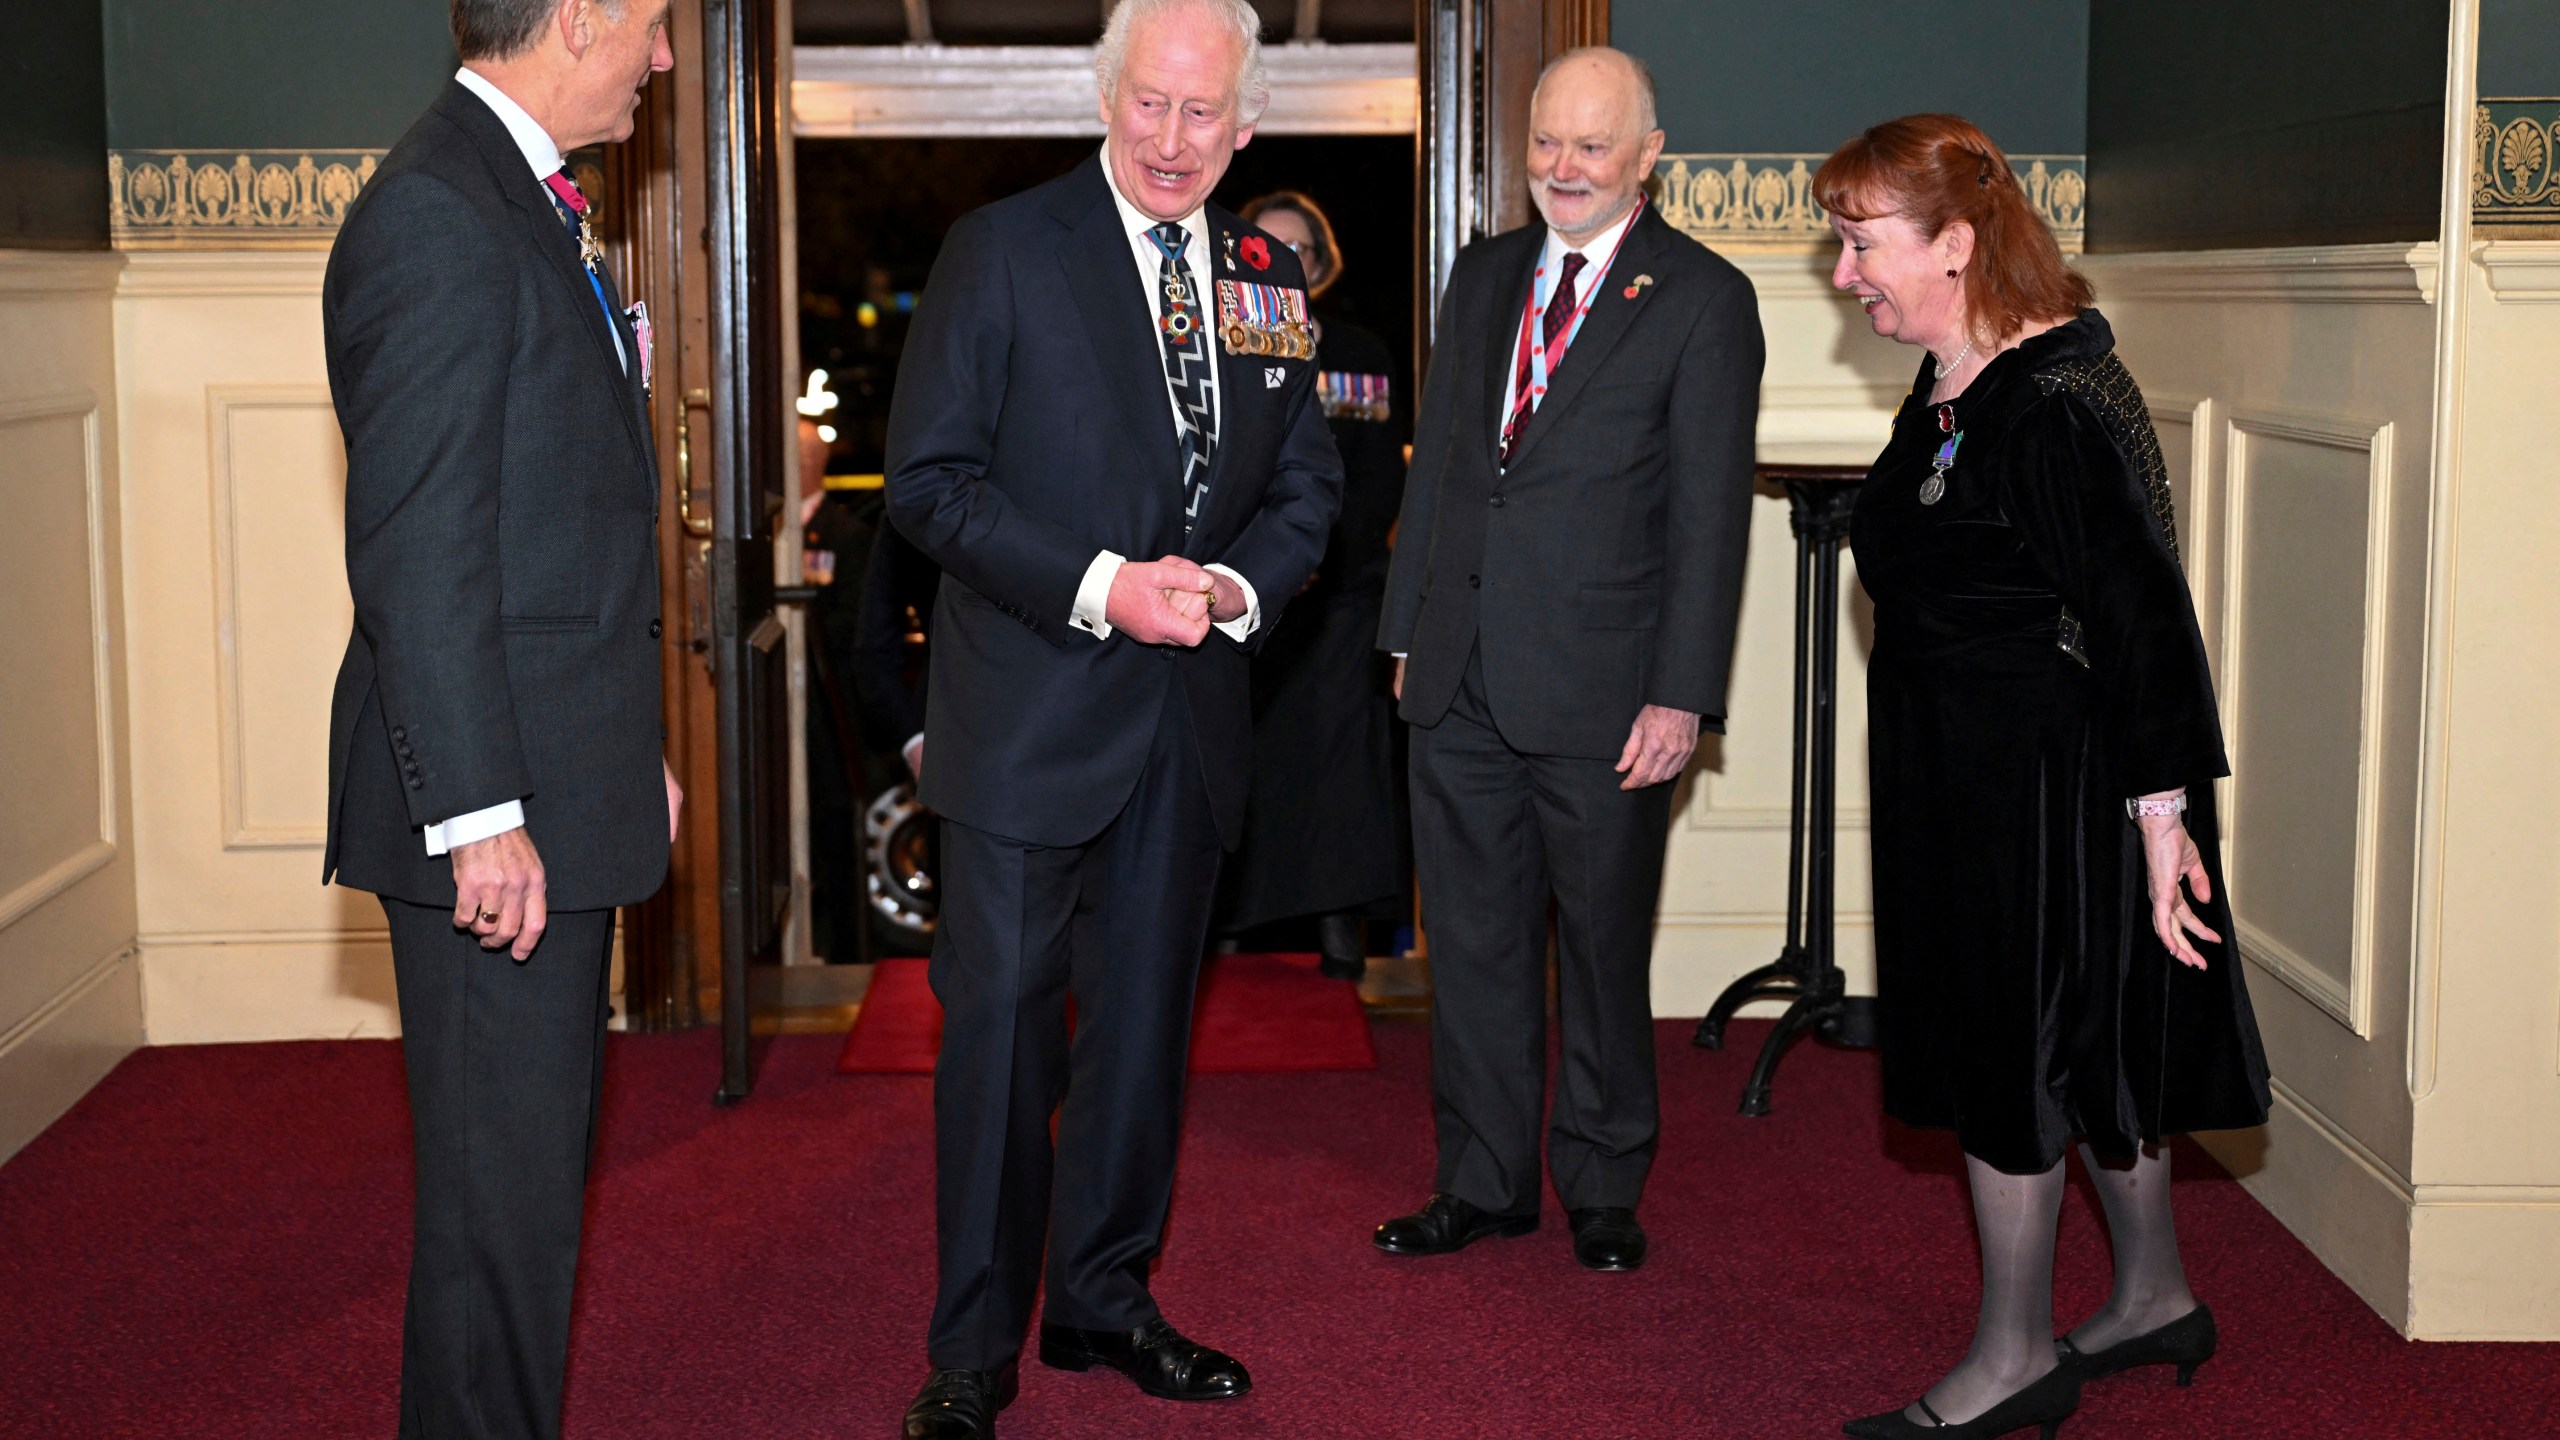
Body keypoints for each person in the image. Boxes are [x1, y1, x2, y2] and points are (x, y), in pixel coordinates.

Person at [880, 0, 1343, 1433]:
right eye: (1150, 104)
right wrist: (1103, 588)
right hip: (1026, 728)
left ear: (1246, 126)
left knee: (1142, 1044)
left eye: (1204, 114)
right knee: (1003, 1052)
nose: (1171, 138)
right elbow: (932, 486)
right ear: (1105, 94)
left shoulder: (1267, 281)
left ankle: (1103, 1301)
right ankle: (970, 1352)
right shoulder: (1005, 251)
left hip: (1188, 731)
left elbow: (1304, 491)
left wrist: (1228, 590)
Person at [1817, 115, 2270, 1439]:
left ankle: (2015, 1355)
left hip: (2043, 793)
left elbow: (2142, 622)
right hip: (1961, 775)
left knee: (2016, 1053)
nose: (1847, 274)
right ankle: (2153, 1297)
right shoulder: (1956, 373)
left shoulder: (2058, 400)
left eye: (1863, 244)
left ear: (1955, 246)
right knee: (2090, 1042)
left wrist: (2160, 829)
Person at [317, 1, 678, 1436]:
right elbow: (420, 549)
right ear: (579, 15)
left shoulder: (511, 195)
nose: (659, 61)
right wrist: (480, 816)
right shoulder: (440, 212)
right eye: (651, 26)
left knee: (520, 1217)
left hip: (546, 771)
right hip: (489, 821)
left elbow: (545, 526)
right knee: (496, 1230)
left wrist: (618, 747)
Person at [1373, 46, 1763, 1275]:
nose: (1563, 168)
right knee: (1476, 949)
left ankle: (1602, 1180)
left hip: (1606, 694)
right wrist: (1402, 632)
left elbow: (1709, 517)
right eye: (1546, 142)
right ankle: (1482, 1183)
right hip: (1459, 681)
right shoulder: (1484, 275)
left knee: (1599, 948)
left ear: (1650, 157)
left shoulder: (1702, 298)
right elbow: (1439, 466)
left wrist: (1683, 693)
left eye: (1591, 146)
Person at [1223, 189, 1407, 980]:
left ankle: (1341, 941)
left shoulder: (1362, 356)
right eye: (1266, 248)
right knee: (1249, 776)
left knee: (1340, 783)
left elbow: (1379, 482)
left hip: (1341, 603)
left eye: (1297, 248)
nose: (1283, 261)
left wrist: (1317, 567)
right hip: (1245, 605)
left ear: (1321, 263)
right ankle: (1224, 939)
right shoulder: (1219, 353)